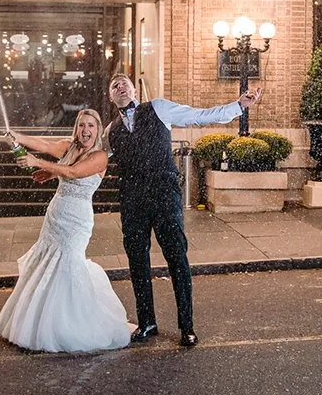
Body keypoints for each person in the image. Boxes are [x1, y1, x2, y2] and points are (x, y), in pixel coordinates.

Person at [105, 73, 262, 348]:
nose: (120, 87)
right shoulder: (110, 131)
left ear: (134, 90)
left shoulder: (158, 108)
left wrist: (238, 106)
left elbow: (199, 116)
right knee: (137, 262)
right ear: (110, 96)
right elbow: (92, 158)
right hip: (132, 200)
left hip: (164, 195)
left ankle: (187, 326)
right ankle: (147, 322)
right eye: (114, 86)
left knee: (177, 258)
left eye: (124, 83)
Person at [0, 109, 132, 353]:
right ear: (76, 128)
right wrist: (16, 136)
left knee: (69, 263)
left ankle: (71, 325)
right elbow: (44, 144)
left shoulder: (100, 156)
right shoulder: (69, 147)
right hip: (55, 215)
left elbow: (73, 172)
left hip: (77, 220)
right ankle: (38, 322)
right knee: (47, 261)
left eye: (91, 125)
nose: (86, 130)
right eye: (82, 125)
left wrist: (38, 162)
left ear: (98, 130)